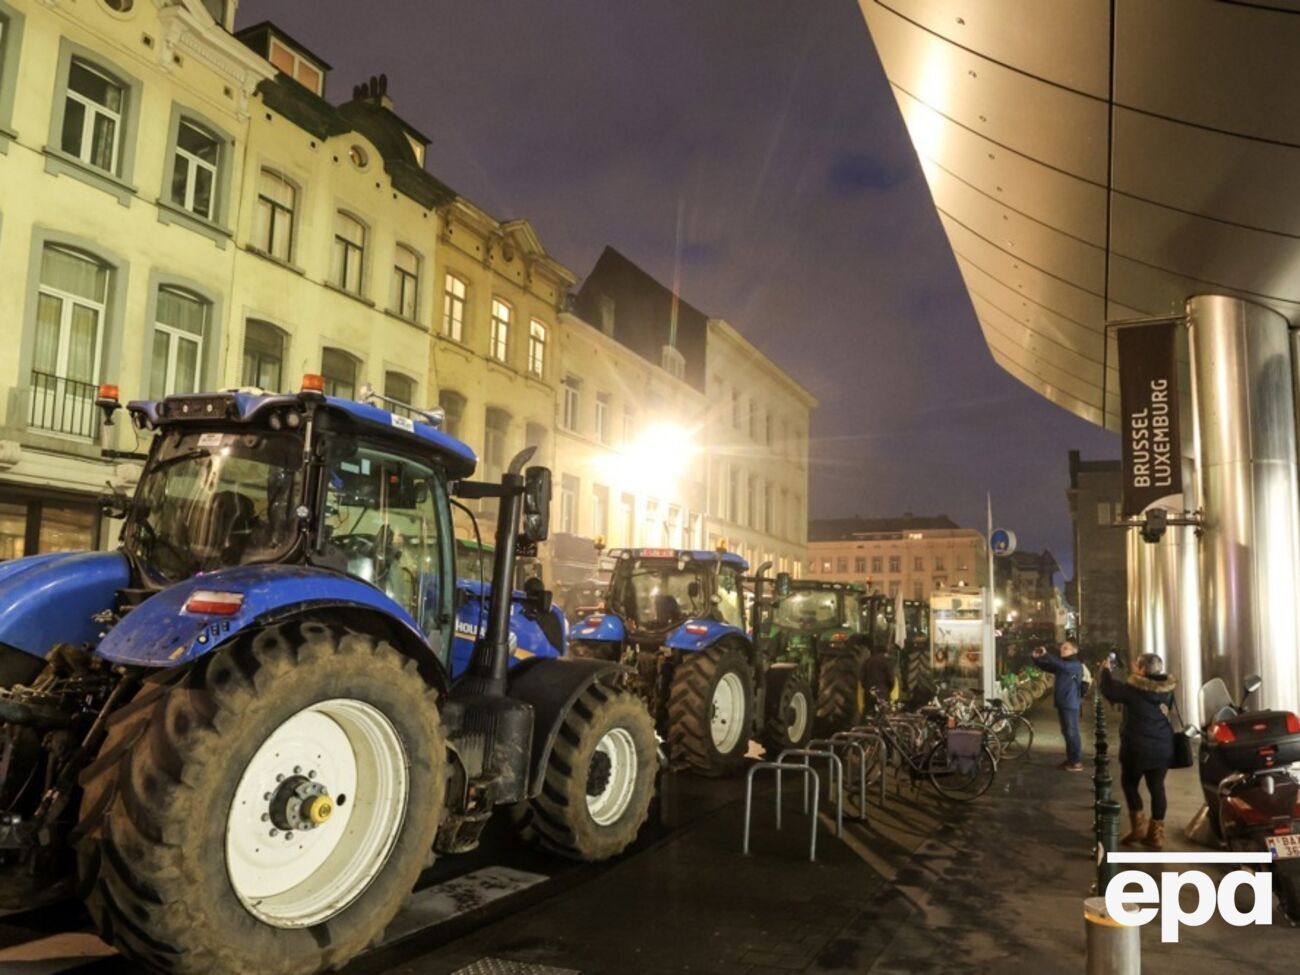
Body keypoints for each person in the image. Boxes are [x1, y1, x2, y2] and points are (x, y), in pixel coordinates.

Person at [1100, 651, 1176, 850]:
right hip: (1162, 746)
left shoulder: (1133, 689)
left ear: (1142, 669)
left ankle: (1139, 828)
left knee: (1130, 783)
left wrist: (1105, 671)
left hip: (1137, 747)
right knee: (1157, 786)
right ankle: (1157, 835)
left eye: (1137, 665)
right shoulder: (1167, 689)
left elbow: (1109, 690)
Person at [1031, 640, 1087, 771]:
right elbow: (1048, 667)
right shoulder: (1065, 664)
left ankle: (1077, 761)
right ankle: (1071, 759)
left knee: (1072, 732)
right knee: (1067, 732)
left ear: (1075, 651)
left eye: (1066, 648)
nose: (1062, 650)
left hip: (1070, 703)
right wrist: (1036, 658)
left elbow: (1059, 665)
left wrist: (1046, 654)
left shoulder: (1075, 665)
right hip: (1064, 702)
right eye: (1061, 648)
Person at [861, 637, 895, 709]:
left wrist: (866, 687)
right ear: (884, 652)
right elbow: (890, 679)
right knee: (882, 713)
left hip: (869, 691)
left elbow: (862, 677)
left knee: (869, 713)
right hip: (882, 691)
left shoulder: (867, 661)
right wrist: (888, 689)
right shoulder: (886, 662)